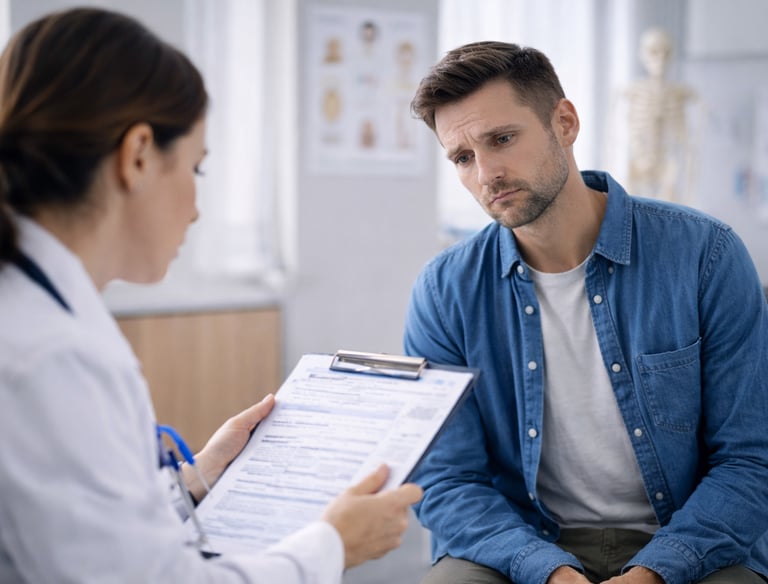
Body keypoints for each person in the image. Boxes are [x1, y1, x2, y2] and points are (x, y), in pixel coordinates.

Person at [0, 8, 421, 583]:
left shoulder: (36, 311)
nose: (197, 209)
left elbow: (89, 535)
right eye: (196, 169)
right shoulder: (50, 357)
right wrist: (332, 546)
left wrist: (199, 480)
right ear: (139, 156)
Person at [404, 40, 768, 584]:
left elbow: (750, 460)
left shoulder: (704, 257)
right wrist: (547, 571)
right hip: (523, 539)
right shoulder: (444, 290)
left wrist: (654, 570)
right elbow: (445, 479)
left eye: (502, 139)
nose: (486, 173)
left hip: (690, 537)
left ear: (565, 122)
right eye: (462, 157)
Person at [619, 27, 699, 204]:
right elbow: (614, 138)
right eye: (654, 52)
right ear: (642, 54)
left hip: (666, 166)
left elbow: (688, 140)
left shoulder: (680, 93)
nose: (660, 59)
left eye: (666, 53)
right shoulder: (630, 91)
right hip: (637, 164)